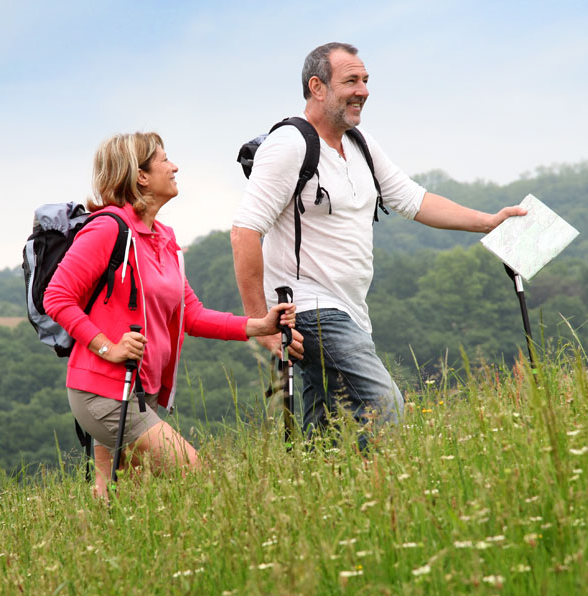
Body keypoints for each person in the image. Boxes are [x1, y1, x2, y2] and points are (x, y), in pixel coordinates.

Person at [231, 42, 525, 446]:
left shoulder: (360, 143)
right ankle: (390, 493)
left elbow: (414, 200)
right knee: (385, 406)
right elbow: (245, 231)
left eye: (366, 81)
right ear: (317, 87)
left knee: (326, 436)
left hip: (352, 312)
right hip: (310, 309)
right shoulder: (289, 145)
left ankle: (324, 498)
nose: (364, 91)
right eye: (351, 81)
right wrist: (259, 325)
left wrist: (487, 222)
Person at [45, 132, 295, 498]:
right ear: (140, 175)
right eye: (164, 159)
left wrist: (258, 326)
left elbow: (190, 315)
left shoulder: (163, 238)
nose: (174, 166)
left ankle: (90, 554)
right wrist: (107, 347)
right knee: (199, 474)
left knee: (118, 496)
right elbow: (58, 297)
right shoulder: (108, 228)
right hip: (104, 390)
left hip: (137, 389)